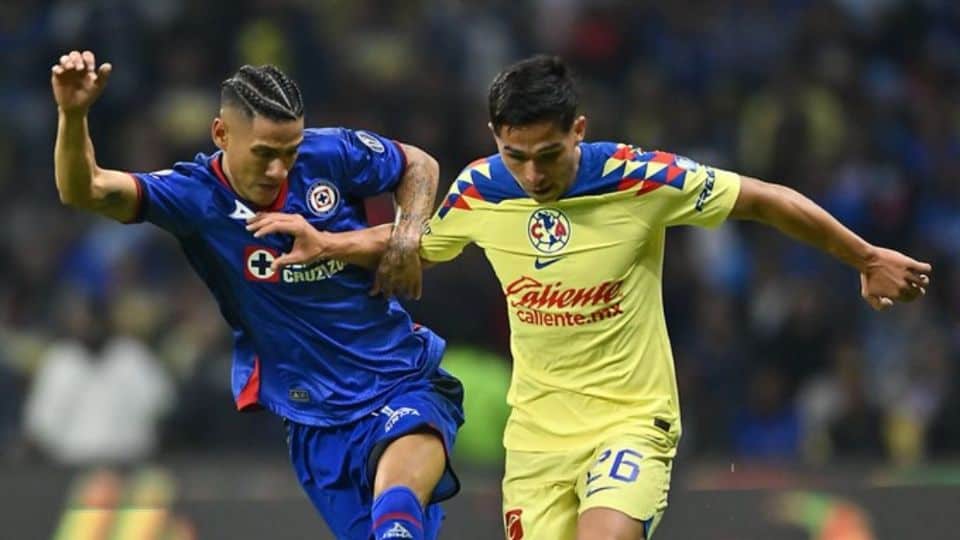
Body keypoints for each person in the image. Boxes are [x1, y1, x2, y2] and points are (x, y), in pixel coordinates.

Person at [249, 55, 932, 539]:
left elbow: (764, 199)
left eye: (548, 153)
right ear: (495, 139)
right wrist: (329, 242)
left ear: (579, 129)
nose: (532, 173)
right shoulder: (481, 189)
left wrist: (866, 257)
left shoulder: (639, 179)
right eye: (516, 155)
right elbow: (415, 243)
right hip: (537, 438)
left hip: (629, 421)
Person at [51, 49, 463, 540]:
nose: (279, 169)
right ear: (221, 134)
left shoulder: (330, 153)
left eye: (290, 152)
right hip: (314, 416)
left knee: (396, 514)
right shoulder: (194, 197)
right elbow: (86, 190)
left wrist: (406, 236)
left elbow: (418, 163)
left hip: (400, 376)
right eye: (265, 153)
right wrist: (72, 115)